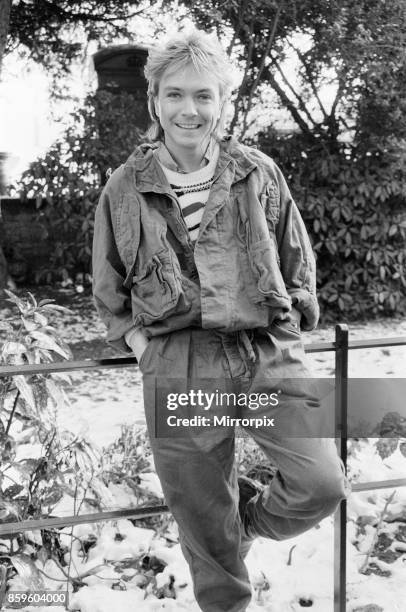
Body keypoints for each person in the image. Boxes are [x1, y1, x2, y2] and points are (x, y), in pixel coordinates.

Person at [92, 29, 350, 612]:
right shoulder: (126, 187)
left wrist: (290, 325)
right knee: (204, 524)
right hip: (181, 367)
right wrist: (140, 342)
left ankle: (248, 524)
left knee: (320, 484)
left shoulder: (257, 172)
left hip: (263, 358)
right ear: (154, 100)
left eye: (204, 96)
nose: (191, 109)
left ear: (223, 101)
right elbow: (108, 283)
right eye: (176, 94)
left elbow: (296, 258)